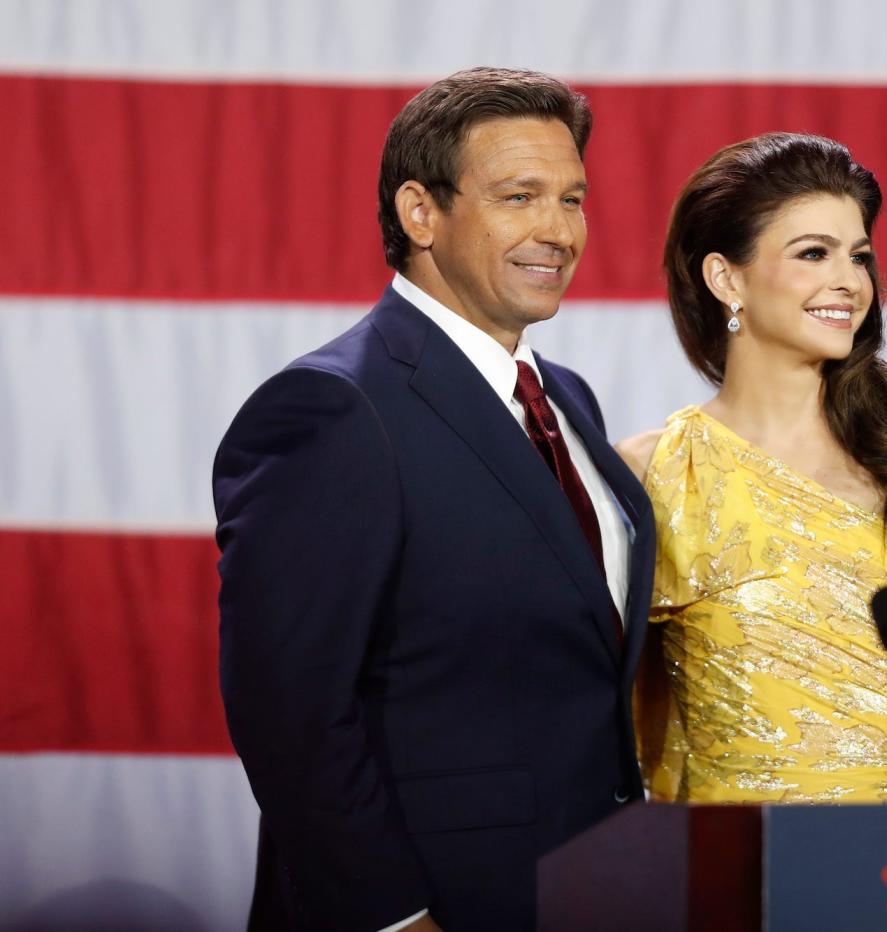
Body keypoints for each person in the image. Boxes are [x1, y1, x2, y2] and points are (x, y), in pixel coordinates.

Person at [213, 67, 654, 931]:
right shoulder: (332, 408)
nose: (558, 230)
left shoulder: (567, 399)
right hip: (434, 902)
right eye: (520, 195)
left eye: (572, 199)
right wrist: (395, 918)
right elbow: (292, 717)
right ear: (421, 212)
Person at [619, 133, 887, 804]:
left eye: (859, 256)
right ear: (725, 279)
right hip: (733, 879)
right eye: (813, 254)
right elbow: (614, 719)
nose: (850, 282)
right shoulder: (654, 471)